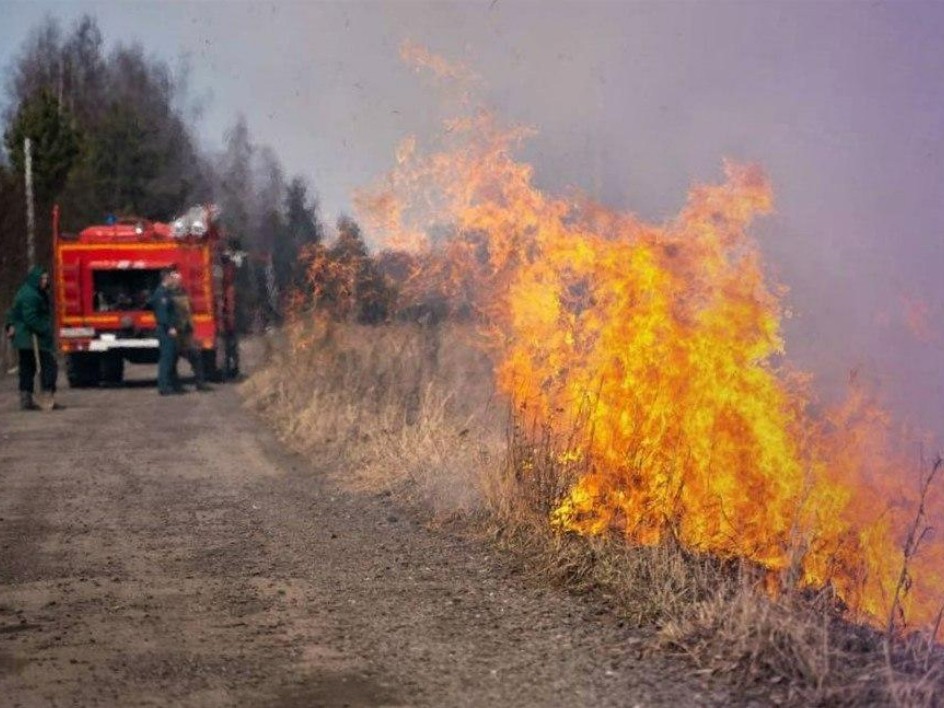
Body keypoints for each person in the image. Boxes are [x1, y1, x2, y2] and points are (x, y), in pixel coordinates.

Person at [6, 266, 61, 411]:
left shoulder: (31, 291)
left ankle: (27, 398)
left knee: (27, 367)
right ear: (36, 279)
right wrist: (44, 329)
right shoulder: (30, 295)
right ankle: (46, 395)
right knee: (48, 365)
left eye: (47, 278)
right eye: (43, 278)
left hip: (26, 338)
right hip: (31, 337)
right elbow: (30, 318)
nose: (46, 281)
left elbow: (13, 312)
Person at [169, 271, 211, 392]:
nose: (178, 282)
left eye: (179, 280)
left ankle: (200, 383)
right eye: (176, 280)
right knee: (173, 359)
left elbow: (189, 309)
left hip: (186, 329)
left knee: (195, 356)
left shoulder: (183, 292)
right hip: (176, 331)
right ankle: (175, 385)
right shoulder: (167, 295)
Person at [151, 268, 181, 396]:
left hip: (167, 330)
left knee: (171, 358)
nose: (172, 279)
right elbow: (163, 314)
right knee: (166, 359)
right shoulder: (161, 294)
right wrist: (170, 327)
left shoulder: (166, 292)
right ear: (166, 278)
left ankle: (172, 384)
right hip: (165, 331)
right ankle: (163, 387)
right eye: (171, 277)